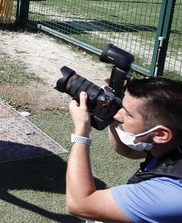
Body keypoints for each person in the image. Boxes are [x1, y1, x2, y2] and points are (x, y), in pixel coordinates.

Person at [66, 77, 182, 222]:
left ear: (161, 134)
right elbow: (130, 152)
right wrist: (111, 109)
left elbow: (79, 204)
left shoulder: (167, 195)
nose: (117, 115)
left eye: (128, 113)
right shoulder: (174, 137)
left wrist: (81, 133)